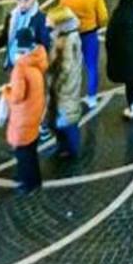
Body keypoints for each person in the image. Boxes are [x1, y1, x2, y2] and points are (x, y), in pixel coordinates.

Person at [2, 35, 49, 194]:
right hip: (34, 114)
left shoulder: (20, 69)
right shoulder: (37, 62)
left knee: (23, 153)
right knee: (31, 151)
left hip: (22, 118)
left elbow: (17, 96)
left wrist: (6, 91)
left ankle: (27, 183)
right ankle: (34, 179)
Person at [61, 0, 109, 108]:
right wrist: (98, 25)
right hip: (90, 35)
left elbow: (61, 19)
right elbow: (103, 16)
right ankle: (92, 97)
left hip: (72, 36)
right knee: (92, 66)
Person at [43, 8, 85, 160]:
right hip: (63, 88)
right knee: (60, 119)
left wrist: (55, 84)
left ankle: (71, 150)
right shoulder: (64, 37)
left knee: (67, 120)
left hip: (65, 89)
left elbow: (65, 68)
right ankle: (64, 147)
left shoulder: (68, 41)